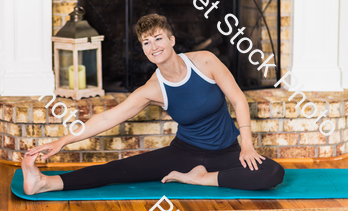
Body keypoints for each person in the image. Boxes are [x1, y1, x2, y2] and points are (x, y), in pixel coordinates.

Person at [22, 14, 285, 195]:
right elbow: (107, 118)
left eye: (158, 38)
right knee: (120, 170)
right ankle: (45, 183)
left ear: (172, 40)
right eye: (146, 43)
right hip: (184, 153)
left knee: (273, 173)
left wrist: (247, 146)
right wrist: (62, 141)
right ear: (144, 50)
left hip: (228, 152)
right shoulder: (152, 88)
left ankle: (201, 178)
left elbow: (238, 99)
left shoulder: (205, 62)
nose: (153, 46)